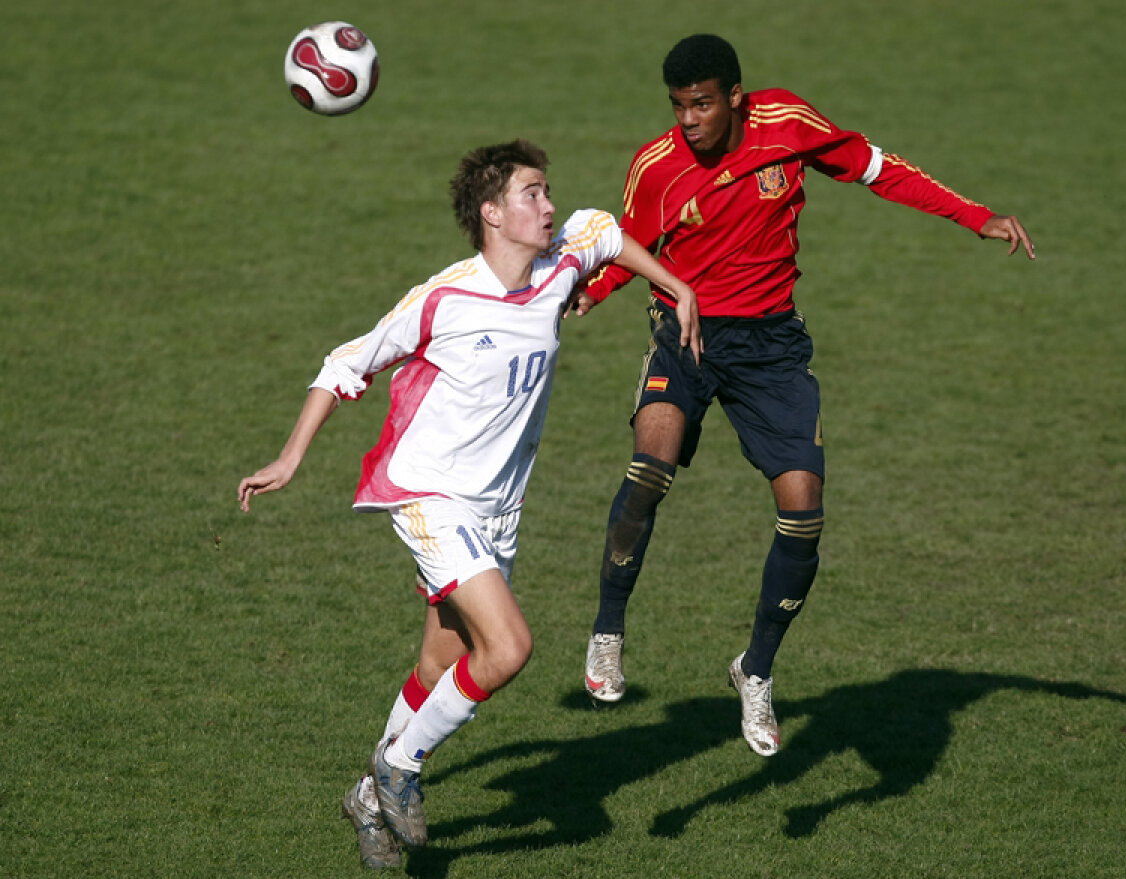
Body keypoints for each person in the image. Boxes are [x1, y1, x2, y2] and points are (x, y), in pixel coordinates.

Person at [237, 139, 699, 868]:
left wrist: (680, 288)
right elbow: (344, 361)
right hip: (429, 494)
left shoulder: (560, 263)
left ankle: (367, 792)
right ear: (491, 213)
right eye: (531, 194)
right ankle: (400, 769)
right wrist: (290, 457)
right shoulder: (444, 297)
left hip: (497, 513)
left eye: (548, 193)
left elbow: (606, 232)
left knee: (437, 664)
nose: (547, 206)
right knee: (509, 647)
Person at [578, 35, 1035, 757]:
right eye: (677, 106)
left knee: (803, 515)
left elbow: (876, 168)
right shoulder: (657, 165)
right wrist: (584, 296)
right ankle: (608, 629)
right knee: (650, 466)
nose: (689, 119)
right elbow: (625, 246)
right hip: (687, 337)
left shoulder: (788, 125)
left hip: (772, 350)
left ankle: (755, 669)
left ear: (734, 96)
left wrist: (973, 214)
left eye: (701, 103)